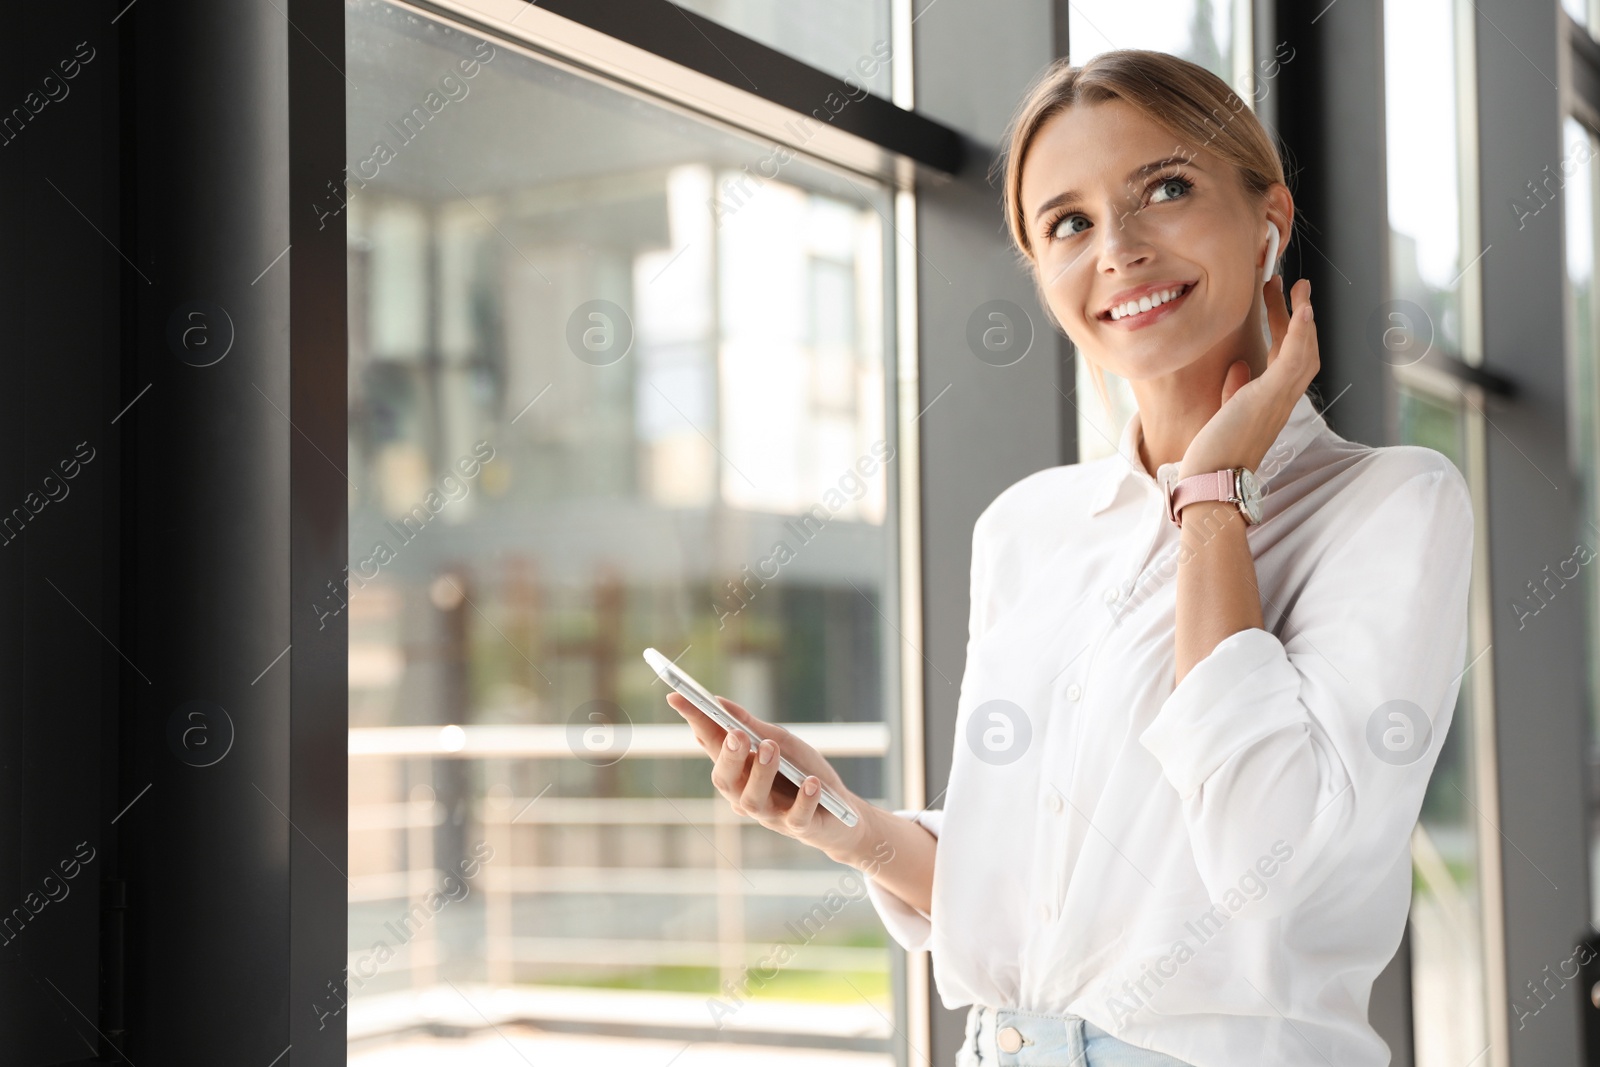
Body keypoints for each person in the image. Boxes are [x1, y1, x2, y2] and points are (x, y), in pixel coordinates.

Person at [666, 48, 1473, 1067]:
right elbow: (1030, 906)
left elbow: (1267, 868)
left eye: (1165, 189)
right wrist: (849, 824)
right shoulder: (1026, 527)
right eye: (1068, 223)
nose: (1118, 249)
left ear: (1268, 220)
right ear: (1041, 271)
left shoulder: (1391, 504)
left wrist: (1213, 496)